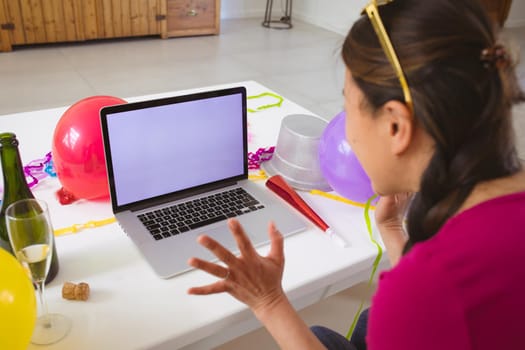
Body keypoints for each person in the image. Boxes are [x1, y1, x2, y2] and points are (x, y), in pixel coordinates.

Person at [187, 0, 525, 348]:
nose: (345, 132)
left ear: (396, 125)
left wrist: (268, 301)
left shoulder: (425, 288)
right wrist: (393, 232)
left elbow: (435, 299)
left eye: (348, 107)